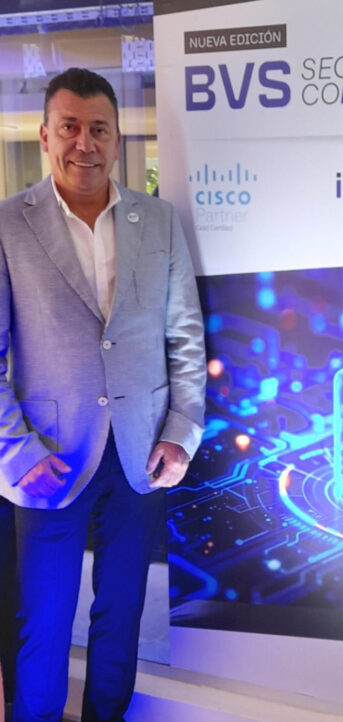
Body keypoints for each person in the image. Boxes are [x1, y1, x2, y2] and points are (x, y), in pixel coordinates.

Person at [0, 68, 206, 722]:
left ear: (118, 140)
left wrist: (181, 431)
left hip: (141, 454)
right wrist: (15, 453)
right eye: (69, 127)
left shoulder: (158, 221)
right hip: (48, 458)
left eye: (98, 129)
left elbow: (185, 334)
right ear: (45, 135)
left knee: (121, 617)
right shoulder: (7, 225)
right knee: (43, 623)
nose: (84, 143)